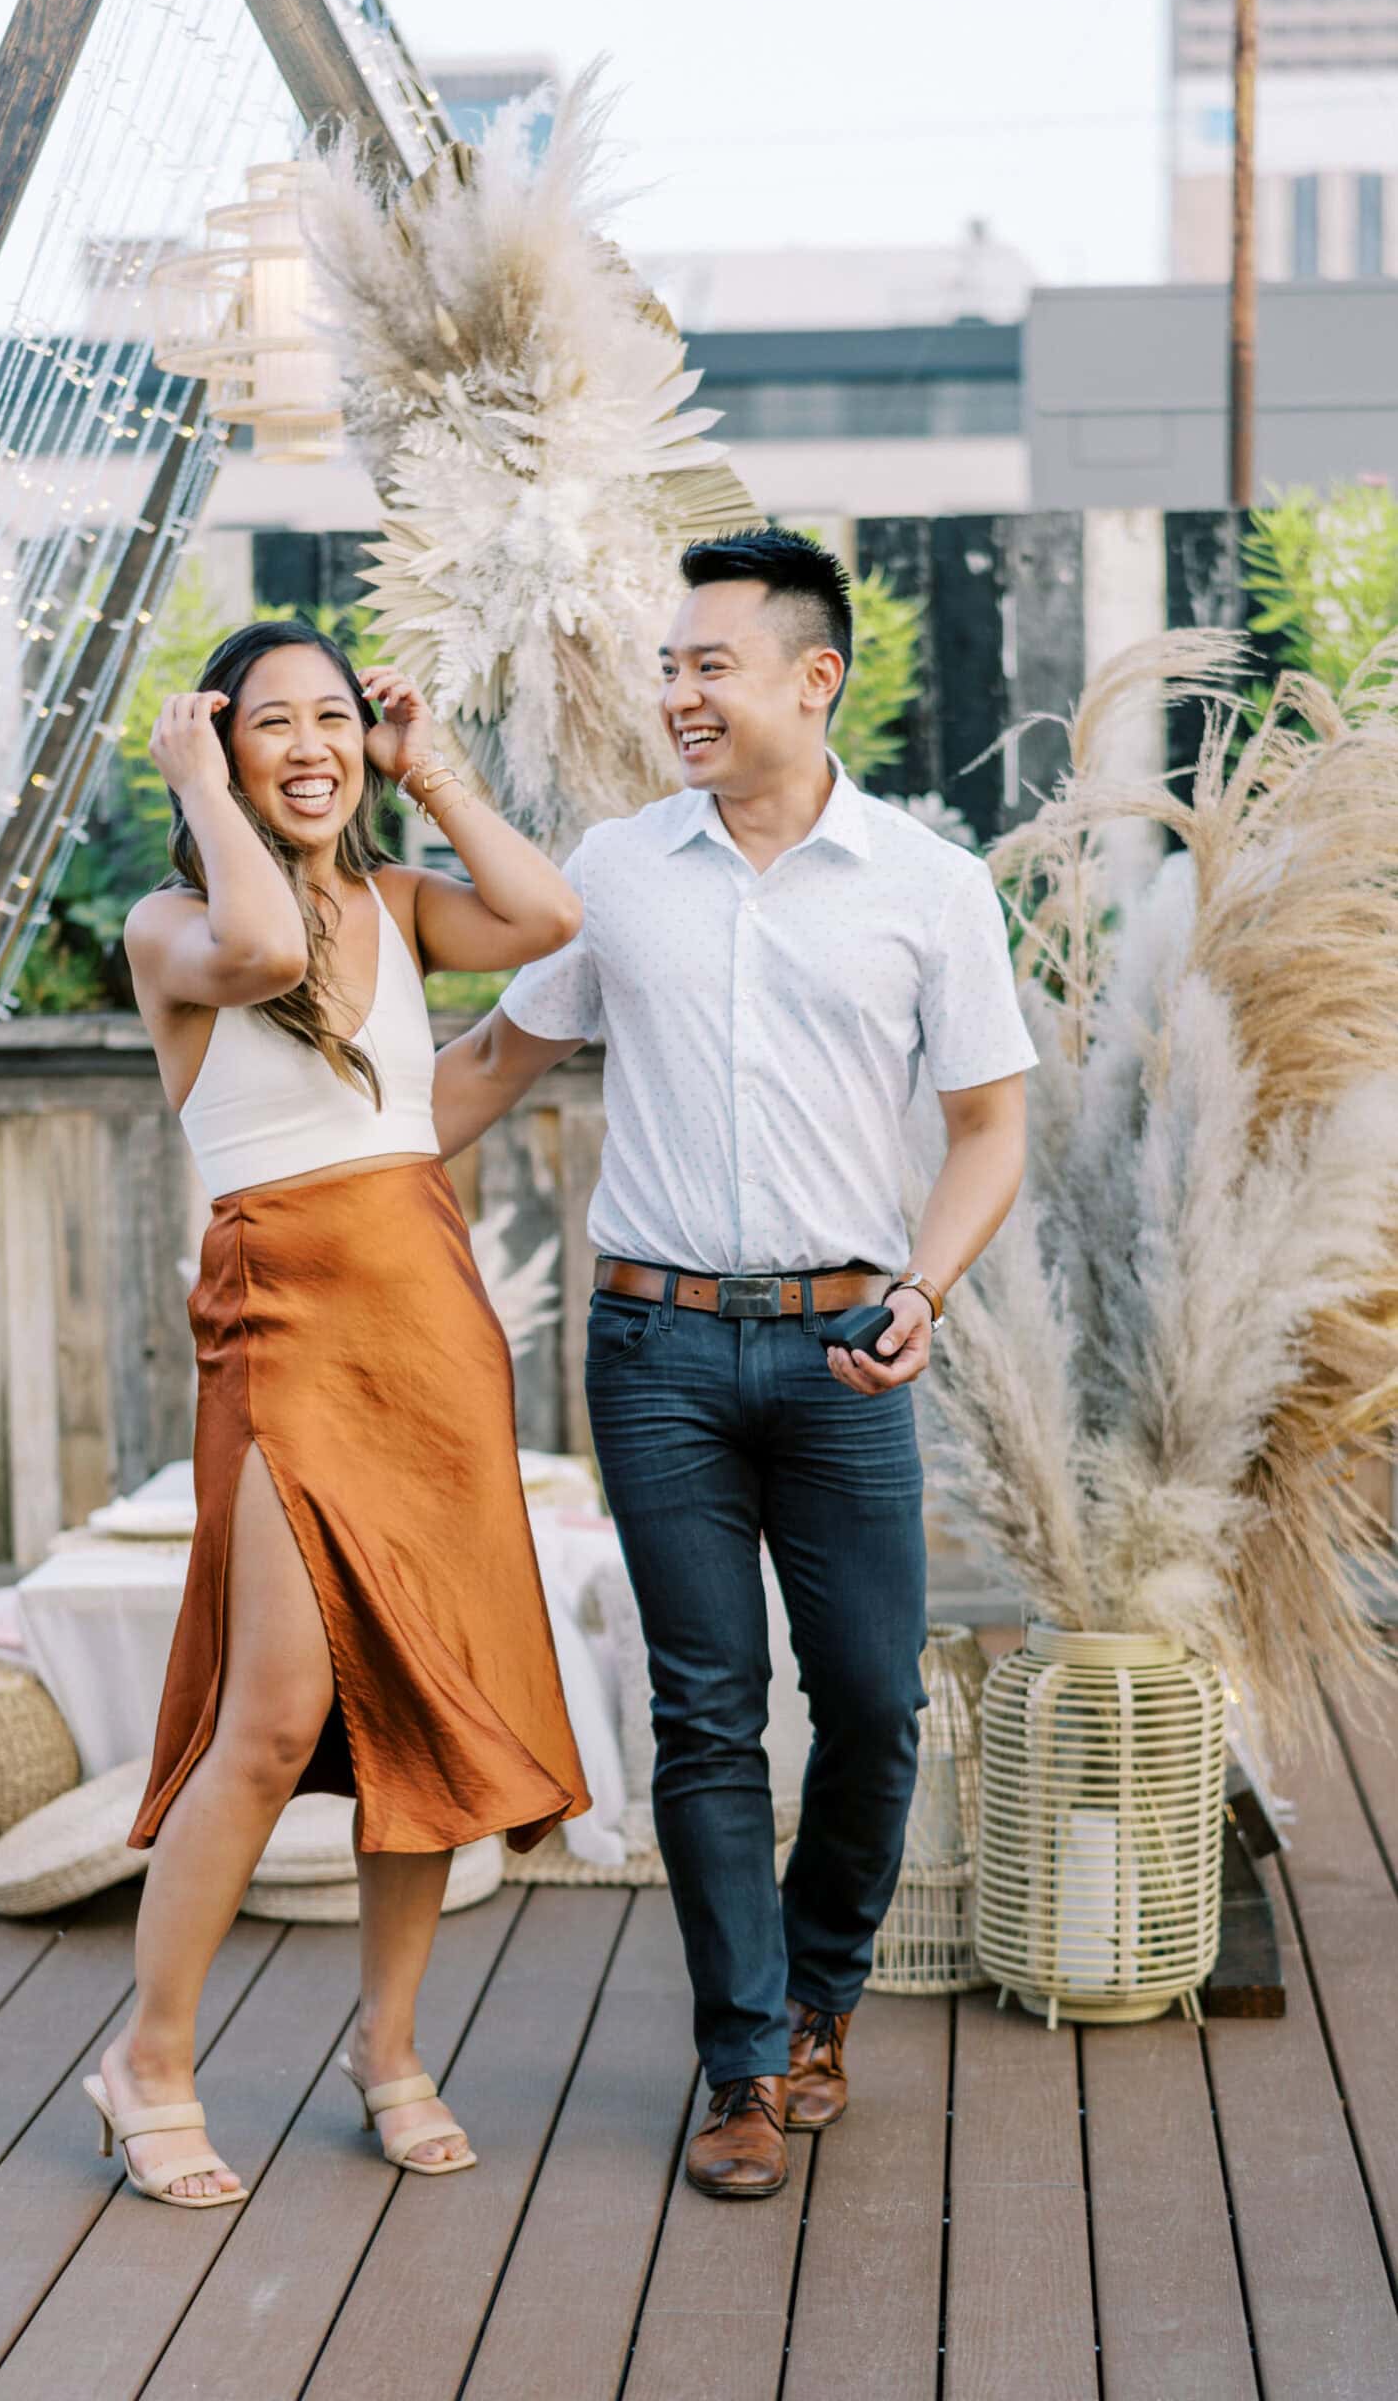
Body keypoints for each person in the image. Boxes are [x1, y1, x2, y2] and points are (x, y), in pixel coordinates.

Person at [434, 527, 1035, 2200]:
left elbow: (990, 1130)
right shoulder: (616, 869)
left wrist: (925, 1285)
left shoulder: (930, 886)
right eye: (669, 666)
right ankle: (744, 2060)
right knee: (705, 1710)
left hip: (854, 1345)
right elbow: (493, 1057)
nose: (678, 693)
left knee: (872, 1702)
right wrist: (310, 1176)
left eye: (709, 665)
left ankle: (824, 1993)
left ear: (810, 678)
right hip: (657, 1351)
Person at [87, 619, 591, 2209]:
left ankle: (389, 2049)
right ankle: (147, 2061)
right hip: (286, 1326)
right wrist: (193, 784)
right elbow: (267, 956)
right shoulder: (173, 922)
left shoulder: (398, 903)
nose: (310, 748)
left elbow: (546, 910)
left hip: (429, 1331)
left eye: (332, 721)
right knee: (280, 1710)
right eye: (270, 725)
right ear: (220, 747)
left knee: (421, 1701)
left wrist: (424, 760)